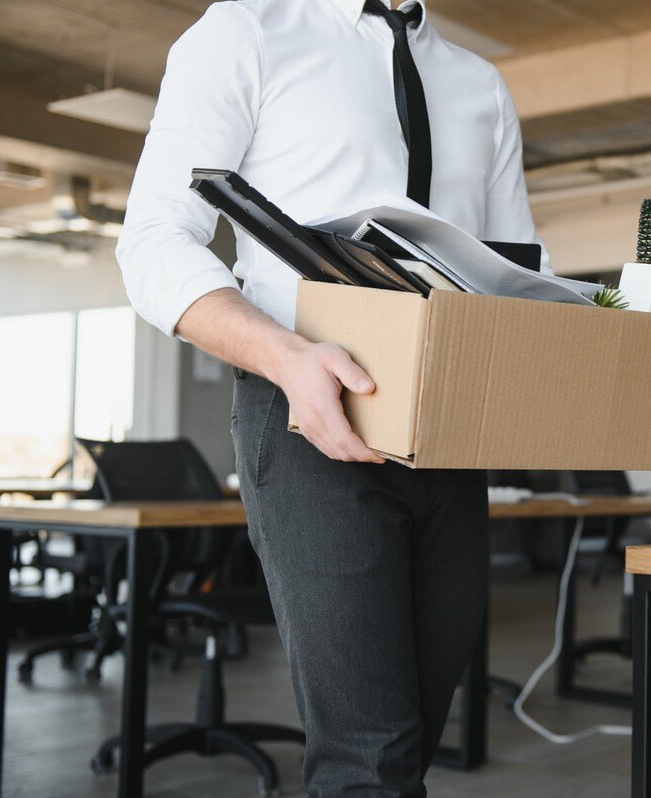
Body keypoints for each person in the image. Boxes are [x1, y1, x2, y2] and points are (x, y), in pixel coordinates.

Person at [115, 0, 545, 794]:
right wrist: (286, 357)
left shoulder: (478, 83)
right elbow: (151, 242)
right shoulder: (245, 31)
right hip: (307, 415)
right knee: (368, 757)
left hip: (447, 432)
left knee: (411, 739)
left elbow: (508, 275)